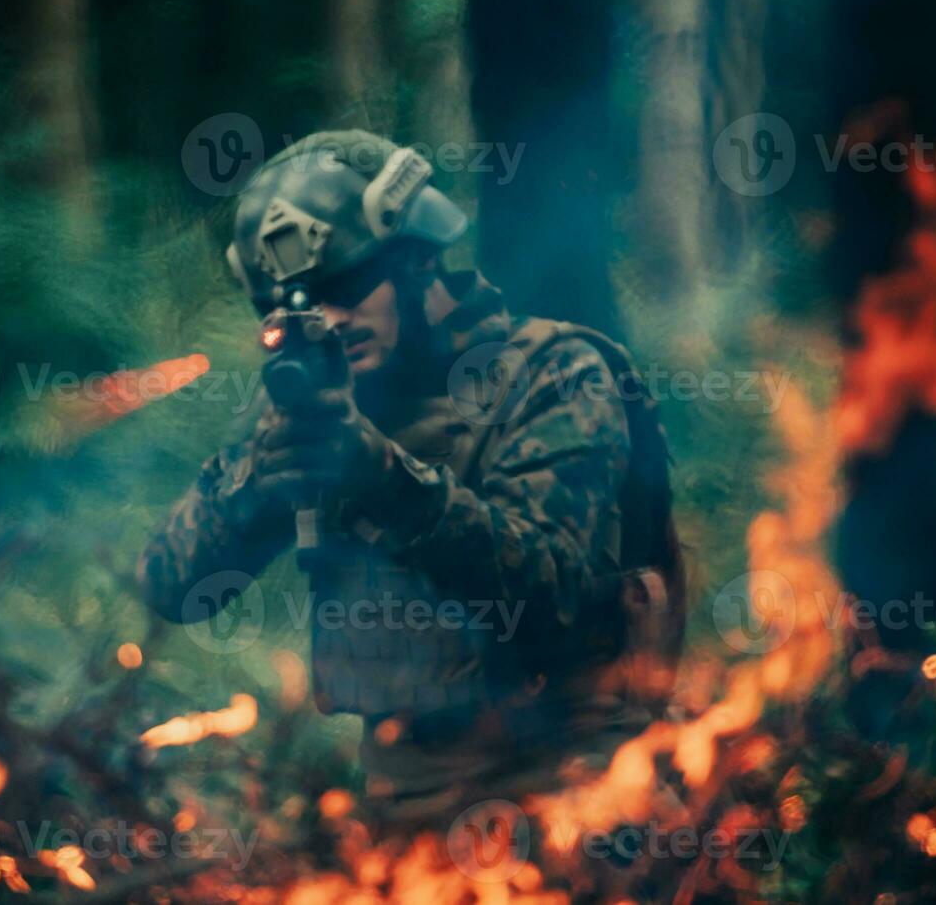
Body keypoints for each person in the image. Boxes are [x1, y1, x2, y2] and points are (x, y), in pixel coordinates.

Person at [137, 130, 684, 823]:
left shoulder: (554, 373)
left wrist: (384, 481)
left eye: (347, 285)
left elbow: (552, 587)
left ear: (417, 262)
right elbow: (169, 585)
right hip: (405, 789)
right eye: (297, 306)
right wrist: (253, 493)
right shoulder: (314, 398)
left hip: (573, 779)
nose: (329, 321)